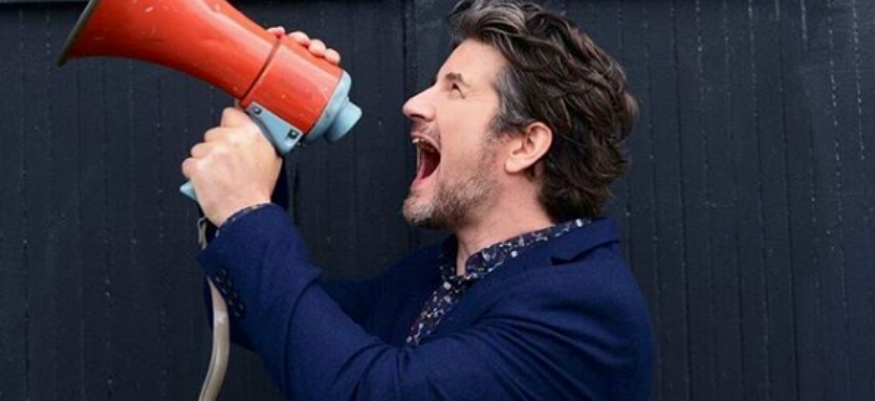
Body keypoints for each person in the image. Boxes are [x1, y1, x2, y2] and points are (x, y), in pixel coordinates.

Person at [182, 0, 654, 399]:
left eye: (455, 89)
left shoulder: (585, 310)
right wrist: (265, 125)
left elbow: (366, 391)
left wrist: (248, 211)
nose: (414, 104)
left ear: (524, 144)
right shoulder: (433, 276)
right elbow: (256, 317)